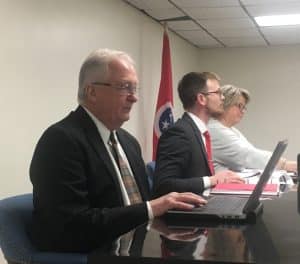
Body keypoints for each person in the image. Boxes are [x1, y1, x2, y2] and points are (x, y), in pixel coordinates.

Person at [29, 49, 207, 253]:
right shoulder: (61, 141)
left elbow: (139, 208)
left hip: (133, 246)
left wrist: (167, 226)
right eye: (124, 87)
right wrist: (151, 208)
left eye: (135, 88)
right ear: (91, 92)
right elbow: (71, 225)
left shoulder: (128, 142)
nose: (134, 98)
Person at [153, 72, 244, 197]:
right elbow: (164, 185)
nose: (223, 98)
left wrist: (223, 176)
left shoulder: (199, 131)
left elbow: (195, 173)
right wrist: (212, 180)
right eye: (218, 93)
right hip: (189, 213)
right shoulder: (179, 133)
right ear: (201, 99)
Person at [208, 84, 297, 172]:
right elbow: (247, 156)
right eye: (239, 106)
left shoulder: (232, 130)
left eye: (244, 107)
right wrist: (284, 164)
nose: (243, 111)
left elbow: (251, 151)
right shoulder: (214, 129)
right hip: (220, 185)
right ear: (225, 104)